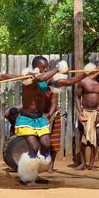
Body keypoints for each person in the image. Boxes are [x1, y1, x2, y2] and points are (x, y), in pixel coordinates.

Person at [14, 56, 66, 186]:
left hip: (39, 119)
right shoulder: (29, 78)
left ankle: (34, 174)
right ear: (34, 67)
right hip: (26, 119)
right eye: (42, 67)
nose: (44, 70)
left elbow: (50, 91)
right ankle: (27, 177)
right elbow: (41, 78)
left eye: (46, 68)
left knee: (46, 144)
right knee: (33, 146)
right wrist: (58, 69)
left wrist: (85, 75)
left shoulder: (43, 84)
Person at [75, 61, 99, 171]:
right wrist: (80, 111)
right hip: (85, 112)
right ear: (94, 69)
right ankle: (82, 163)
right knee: (83, 137)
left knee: (96, 136)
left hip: (97, 113)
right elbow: (77, 97)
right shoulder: (83, 81)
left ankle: (91, 164)